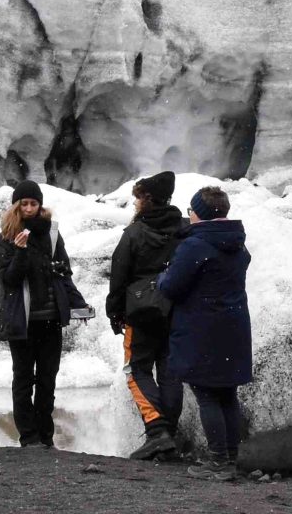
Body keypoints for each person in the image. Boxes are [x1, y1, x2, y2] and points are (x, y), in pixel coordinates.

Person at [159, 186, 252, 479]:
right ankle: (231, 459)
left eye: (191, 210)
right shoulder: (238, 243)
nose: (189, 215)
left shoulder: (195, 246)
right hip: (233, 326)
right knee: (227, 394)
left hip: (203, 328)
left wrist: (162, 275)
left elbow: (171, 287)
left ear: (199, 213)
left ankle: (218, 461)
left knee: (207, 394)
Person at [108, 170, 190, 461]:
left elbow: (119, 274)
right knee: (169, 372)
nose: (135, 203)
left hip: (140, 311)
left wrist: (114, 312)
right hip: (175, 310)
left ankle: (157, 431)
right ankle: (170, 437)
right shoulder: (184, 229)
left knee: (136, 370)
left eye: (138, 198)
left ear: (148, 199)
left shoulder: (134, 232)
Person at [0, 179, 79, 448]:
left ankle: (46, 436)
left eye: (34, 203)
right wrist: (20, 251)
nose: (29, 209)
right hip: (22, 321)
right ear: (16, 207)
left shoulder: (52, 234)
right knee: (23, 379)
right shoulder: (4, 239)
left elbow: (64, 270)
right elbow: (10, 279)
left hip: (50, 319)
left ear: (40, 205)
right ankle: (28, 437)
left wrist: (75, 299)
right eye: (24, 204)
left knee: (47, 379)